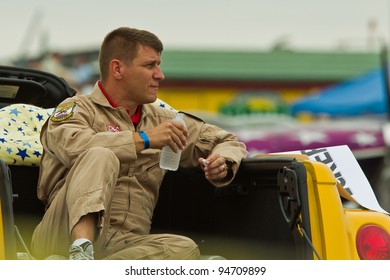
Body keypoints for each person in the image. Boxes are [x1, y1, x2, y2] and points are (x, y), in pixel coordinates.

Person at [31, 27, 248, 260]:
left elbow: (227, 140)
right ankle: (81, 250)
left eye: (159, 65)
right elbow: (76, 148)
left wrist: (222, 162)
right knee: (100, 154)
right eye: (149, 65)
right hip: (60, 234)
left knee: (183, 248)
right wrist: (145, 139)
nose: (160, 75)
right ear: (117, 69)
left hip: (125, 243)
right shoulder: (75, 110)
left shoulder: (164, 120)